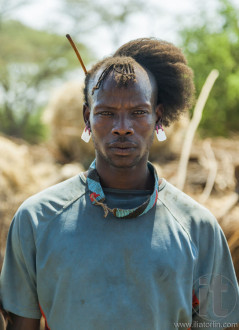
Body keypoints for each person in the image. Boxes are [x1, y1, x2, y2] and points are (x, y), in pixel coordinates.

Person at [0, 38, 239, 330]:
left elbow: (217, 325)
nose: (122, 126)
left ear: (158, 118)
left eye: (138, 112)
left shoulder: (198, 228)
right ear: (87, 119)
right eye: (106, 113)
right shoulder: (36, 219)